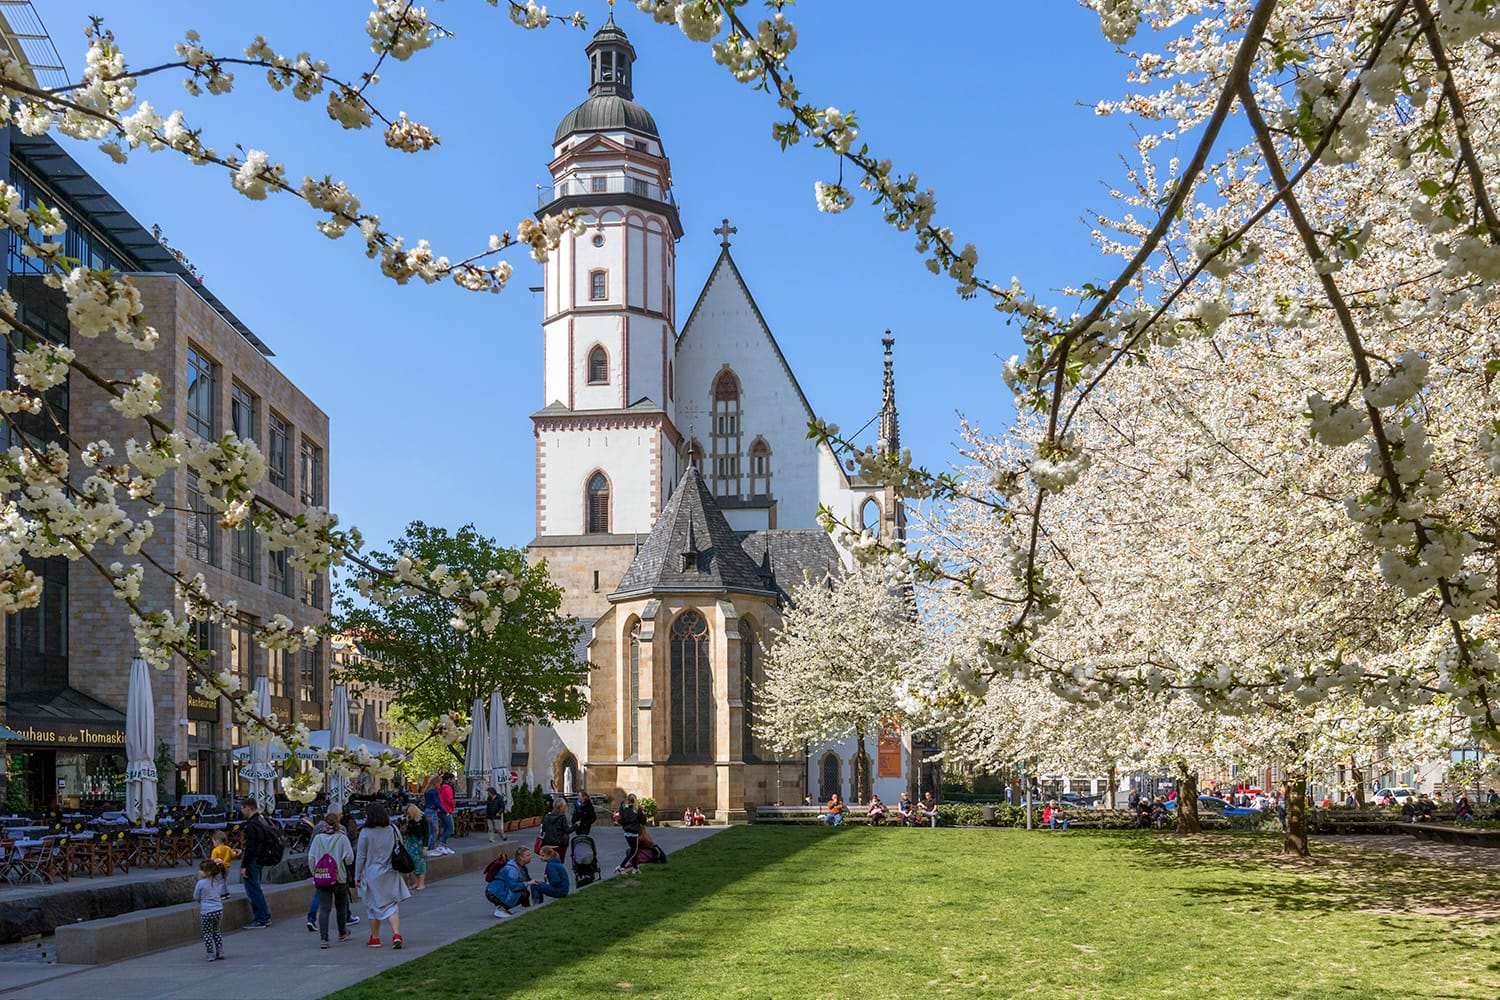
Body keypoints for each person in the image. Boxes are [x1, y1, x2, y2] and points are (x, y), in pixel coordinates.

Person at [355, 802, 411, 949]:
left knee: (372, 906)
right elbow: (401, 845)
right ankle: (396, 934)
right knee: (391, 905)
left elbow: (361, 856)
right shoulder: (393, 829)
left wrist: (356, 876)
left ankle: (375, 937)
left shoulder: (365, 832)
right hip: (390, 870)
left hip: (372, 872)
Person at [307, 811, 355, 949]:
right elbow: (349, 859)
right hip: (339, 877)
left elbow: (311, 858)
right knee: (341, 906)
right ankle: (342, 933)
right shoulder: (342, 838)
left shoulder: (317, 838)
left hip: (322, 877)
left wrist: (315, 872)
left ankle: (324, 939)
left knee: (324, 908)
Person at [238, 799, 278, 929]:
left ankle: (261, 918)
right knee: (256, 888)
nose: (241, 811)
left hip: (252, 861)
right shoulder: (262, 820)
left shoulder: (251, 825)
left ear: (248, 808)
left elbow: (251, 847)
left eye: (242, 808)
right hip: (261, 859)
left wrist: (244, 865)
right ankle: (264, 917)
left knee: (253, 890)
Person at [193, 858, 226, 961]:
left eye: (202, 870)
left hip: (206, 911)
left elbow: (196, 896)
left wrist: (200, 900)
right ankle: (220, 951)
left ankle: (210, 953)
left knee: (207, 933)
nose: (199, 871)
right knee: (216, 931)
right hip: (218, 910)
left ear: (207, 871)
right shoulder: (218, 881)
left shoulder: (201, 883)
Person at [486, 845, 533, 916]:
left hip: (498, 890)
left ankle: (526, 910)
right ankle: (501, 909)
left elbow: (527, 879)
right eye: (528, 855)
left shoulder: (521, 866)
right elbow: (513, 886)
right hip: (494, 893)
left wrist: (535, 883)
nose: (530, 857)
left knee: (524, 892)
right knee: (522, 893)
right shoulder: (512, 869)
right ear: (521, 857)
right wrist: (528, 883)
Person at [614, 793, 645, 874]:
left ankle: (635, 868)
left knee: (633, 850)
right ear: (635, 800)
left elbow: (621, 819)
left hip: (626, 832)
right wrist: (642, 812)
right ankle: (621, 867)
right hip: (634, 832)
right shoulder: (637, 809)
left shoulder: (623, 807)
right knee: (633, 851)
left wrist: (617, 817)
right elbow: (643, 821)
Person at [402, 803, 429, 891]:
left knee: (420, 864)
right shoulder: (409, 820)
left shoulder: (422, 819)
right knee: (411, 863)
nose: (408, 815)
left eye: (409, 813)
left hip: (418, 843)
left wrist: (425, 847)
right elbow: (406, 832)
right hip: (410, 843)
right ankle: (416, 883)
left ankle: (421, 883)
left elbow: (426, 834)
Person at [539, 798, 570, 862]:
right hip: (559, 844)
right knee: (559, 861)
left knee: (549, 860)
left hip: (547, 843)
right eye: (565, 806)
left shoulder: (547, 816)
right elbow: (567, 831)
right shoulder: (562, 817)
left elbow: (543, 830)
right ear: (561, 807)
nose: (565, 808)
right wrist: (576, 825)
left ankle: (549, 871)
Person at [209, 830, 238, 900]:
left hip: (218, 868)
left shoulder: (215, 850)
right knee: (224, 880)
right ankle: (226, 893)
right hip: (227, 867)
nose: (213, 843)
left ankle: (222, 894)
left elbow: (213, 860)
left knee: (219, 881)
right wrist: (236, 852)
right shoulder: (228, 848)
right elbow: (233, 855)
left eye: (213, 841)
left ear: (217, 841)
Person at [436, 774, 457, 855]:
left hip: (442, 809)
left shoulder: (442, 786)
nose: (454, 780)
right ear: (449, 779)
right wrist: (453, 805)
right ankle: (441, 845)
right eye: (453, 779)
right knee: (451, 829)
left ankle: (444, 846)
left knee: (446, 828)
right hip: (446, 810)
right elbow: (449, 799)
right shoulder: (447, 787)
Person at [421, 778, 442, 854]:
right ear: (435, 783)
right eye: (439, 783)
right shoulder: (434, 791)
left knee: (429, 831)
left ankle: (427, 848)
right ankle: (431, 848)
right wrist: (444, 810)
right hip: (432, 811)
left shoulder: (427, 791)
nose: (440, 785)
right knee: (435, 831)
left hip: (427, 811)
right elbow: (437, 802)